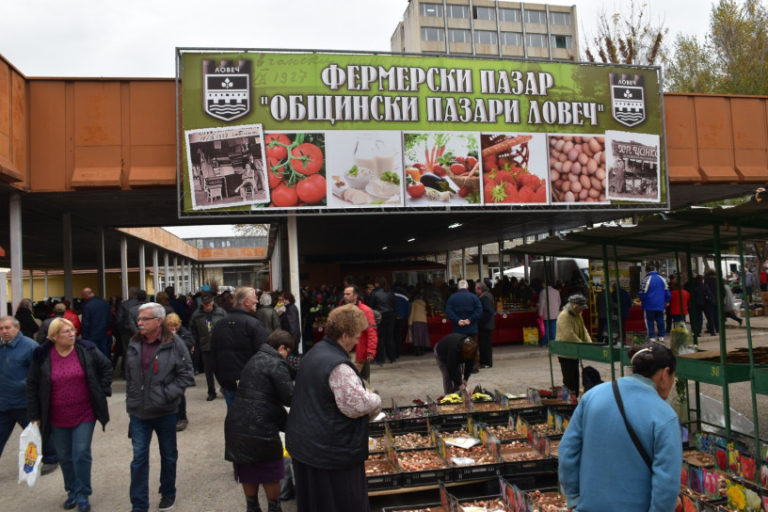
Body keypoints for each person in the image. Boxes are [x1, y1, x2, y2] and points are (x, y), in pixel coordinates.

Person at [558, 343, 681, 512]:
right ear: (665, 374)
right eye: (673, 377)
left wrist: (573, 497)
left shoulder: (592, 396)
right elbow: (666, 483)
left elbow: (567, 450)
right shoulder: (665, 416)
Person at [285, 305, 381, 512]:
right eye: (356, 337)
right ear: (345, 335)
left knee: (314, 501)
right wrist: (375, 399)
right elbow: (355, 406)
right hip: (328, 451)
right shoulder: (338, 365)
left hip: (307, 442)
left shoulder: (316, 351)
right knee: (338, 502)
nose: (357, 342)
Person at [26, 318, 113, 512]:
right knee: (64, 456)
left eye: (73, 330)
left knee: (81, 453)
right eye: (66, 332)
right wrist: (34, 414)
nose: (72, 334)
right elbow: (32, 385)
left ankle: (83, 493)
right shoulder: (42, 356)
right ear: (54, 336)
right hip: (56, 415)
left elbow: (106, 367)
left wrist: (101, 390)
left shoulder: (87, 350)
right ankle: (71, 490)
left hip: (85, 412)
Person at [125, 302, 195, 512]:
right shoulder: (134, 343)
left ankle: (168, 493)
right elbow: (130, 376)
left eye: (144, 319)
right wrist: (132, 398)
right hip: (139, 412)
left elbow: (186, 374)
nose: (139, 323)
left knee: (168, 454)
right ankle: (139, 504)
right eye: (138, 319)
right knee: (138, 459)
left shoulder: (174, 343)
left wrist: (166, 395)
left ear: (158, 321)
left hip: (165, 411)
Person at [225, 329, 294, 512]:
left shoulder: (256, 357)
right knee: (270, 470)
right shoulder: (276, 362)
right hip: (261, 426)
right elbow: (289, 396)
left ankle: (252, 507)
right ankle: (273, 508)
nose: (288, 356)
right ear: (281, 348)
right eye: (288, 351)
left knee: (248, 469)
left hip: (238, 423)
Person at [210, 286, 269, 407]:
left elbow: (213, 355)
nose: (257, 301)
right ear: (246, 302)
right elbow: (265, 356)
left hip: (228, 384)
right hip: (251, 385)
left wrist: (222, 380)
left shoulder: (219, 324)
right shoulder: (254, 325)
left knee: (234, 419)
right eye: (254, 298)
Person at [0, 317, 48, 462]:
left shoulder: (31, 347)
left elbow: (40, 373)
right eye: (1, 328)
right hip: (3, 404)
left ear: (18, 328)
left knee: (37, 436)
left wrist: (25, 385)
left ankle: (50, 459)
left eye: (7, 328)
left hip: (25, 404)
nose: (4, 331)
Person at [189, 292, 227, 401]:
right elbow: (192, 330)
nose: (207, 306)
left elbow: (227, 326)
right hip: (205, 345)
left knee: (222, 369)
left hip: (220, 345)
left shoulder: (221, 312)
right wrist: (193, 343)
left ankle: (224, 388)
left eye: (209, 303)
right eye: (205, 304)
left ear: (212, 301)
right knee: (208, 371)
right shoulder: (197, 315)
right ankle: (211, 392)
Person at [164, 313, 194, 431]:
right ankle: (172, 417)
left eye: (174, 326)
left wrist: (176, 338)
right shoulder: (163, 334)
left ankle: (182, 417)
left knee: (179, 393)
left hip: (179, 368)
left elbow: (190, 343)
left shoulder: (183, 333)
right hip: (168, 367)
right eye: (170, 326)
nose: (173, 329)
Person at [556, 294, 591, 394]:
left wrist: (589, 343)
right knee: (569, 381)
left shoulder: (577, 315)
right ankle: (569, 401)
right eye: (581, 308)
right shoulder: (564, 316)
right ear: (574, 305)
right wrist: (582, 345)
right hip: (565, 352)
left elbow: (583, 330)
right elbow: (568, 335)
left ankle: (574, 398)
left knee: (575, 380)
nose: (582, 310)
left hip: (574, 351)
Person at [342, 285, 378, 382]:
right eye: (344, 294)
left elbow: (372, 332)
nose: (345, 296)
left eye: (348, 294)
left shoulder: (365, 310)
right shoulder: (342, 310)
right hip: (345, 352)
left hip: (360, 352)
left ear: (355, 295)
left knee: (363, 381)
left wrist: (371, 351)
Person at [638, 264, 670, 342]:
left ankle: (652, 337)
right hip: (660, 304)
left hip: (649, 304)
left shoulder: (646, 279)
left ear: (646, 270)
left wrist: (642, 299)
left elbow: (642, 292)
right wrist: (667, 300)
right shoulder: (662, 279)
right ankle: (661, 336)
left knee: (649, 321)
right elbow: (667, 291)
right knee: (660, 320)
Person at [368, 276, 396, 364]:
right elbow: (395, 305)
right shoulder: (390, 292)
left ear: (377, 283)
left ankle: (380, 359)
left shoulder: (374, 293)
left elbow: (371, 306)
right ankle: (392, 357)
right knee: (390, 337)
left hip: (379, 316)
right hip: (390, 316)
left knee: (380, 338)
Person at [80, 288, 113, 359]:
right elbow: (110, 318)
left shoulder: (87, 306)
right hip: (104, 334)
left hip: (91, 335)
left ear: (86, 295)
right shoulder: (105, 303)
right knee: (105, 354)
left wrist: (84, 337)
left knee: (94, 356)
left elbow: (85, 323)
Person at [475, 281, 495, 368]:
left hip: (485, 325)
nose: (475, 291)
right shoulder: (486, 295)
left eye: (476, 289)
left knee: (485, 344)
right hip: (487, 324)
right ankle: (485, 362)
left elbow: (488, 311)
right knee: (484, 344)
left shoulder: (485, 297)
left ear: (480, 289)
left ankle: (486, 362)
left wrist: (481, 321)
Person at [538, 281, 561, 347]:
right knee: (553, 330)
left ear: (545, 284)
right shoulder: (556, 291)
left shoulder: (543, 292)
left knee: (545, 330)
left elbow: (542, 304)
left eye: (543, 283)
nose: (542, 284)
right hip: (555, 314)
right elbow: (559, 302)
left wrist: (540, 314)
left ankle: (544, 343)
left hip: (546, 314)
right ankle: (553, 344)